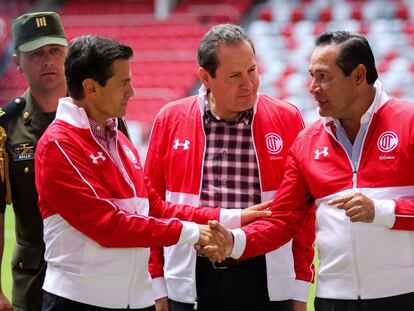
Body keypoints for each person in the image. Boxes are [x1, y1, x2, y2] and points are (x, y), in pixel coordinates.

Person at [35, 34, 271, 310]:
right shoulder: (59, 144)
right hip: (79, 301)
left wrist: (231, 218)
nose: (131, 92)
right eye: (123, 83)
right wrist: (192, 232)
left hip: (135, 300)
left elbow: (153, 209)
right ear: (91, 88)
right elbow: (110, 226)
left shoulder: (119, 140)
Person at [206, 31, 414, 311]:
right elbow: (282, 221)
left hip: (405, 294)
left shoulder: (409, 123)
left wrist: (381, 212)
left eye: (323, 77)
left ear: (358, 75)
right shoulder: (307, 141)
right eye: (311, 76)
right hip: (333, 300)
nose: (313, 87)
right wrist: (236, 241)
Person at [144, 23, 315, 311]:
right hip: (190, 277)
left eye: (252, 70)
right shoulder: (170, 119)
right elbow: (150, 208)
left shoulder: (287, 118)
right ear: (205, 77)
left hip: (265, 274)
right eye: (235, 75)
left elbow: (302, 213)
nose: (248, 83)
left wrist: (299, 289)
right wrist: (157, 283)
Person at [0, 12, 133, 311]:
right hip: (36, 277)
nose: (47, 60)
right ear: (17, 62)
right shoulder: (4, 127)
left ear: (67, 55)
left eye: (55, 51)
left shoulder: (105, 117)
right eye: (35, 54)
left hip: (99, 271)